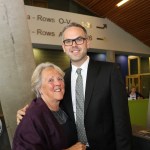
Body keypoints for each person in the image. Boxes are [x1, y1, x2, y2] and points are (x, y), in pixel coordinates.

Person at [17, 22, 132, 150]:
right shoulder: (61, 79)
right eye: (68, 41)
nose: (74, 45)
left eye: (79, 39)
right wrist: (27, 114)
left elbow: (122, 121)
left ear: (88, 42)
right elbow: (51, 108)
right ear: (63, 47)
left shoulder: (110, 71)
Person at [13, 62, 86, 150]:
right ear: (39, 88)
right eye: (50, 80)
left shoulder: (64, 106)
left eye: (60, 79)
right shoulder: (32, 117)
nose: (58, 83)